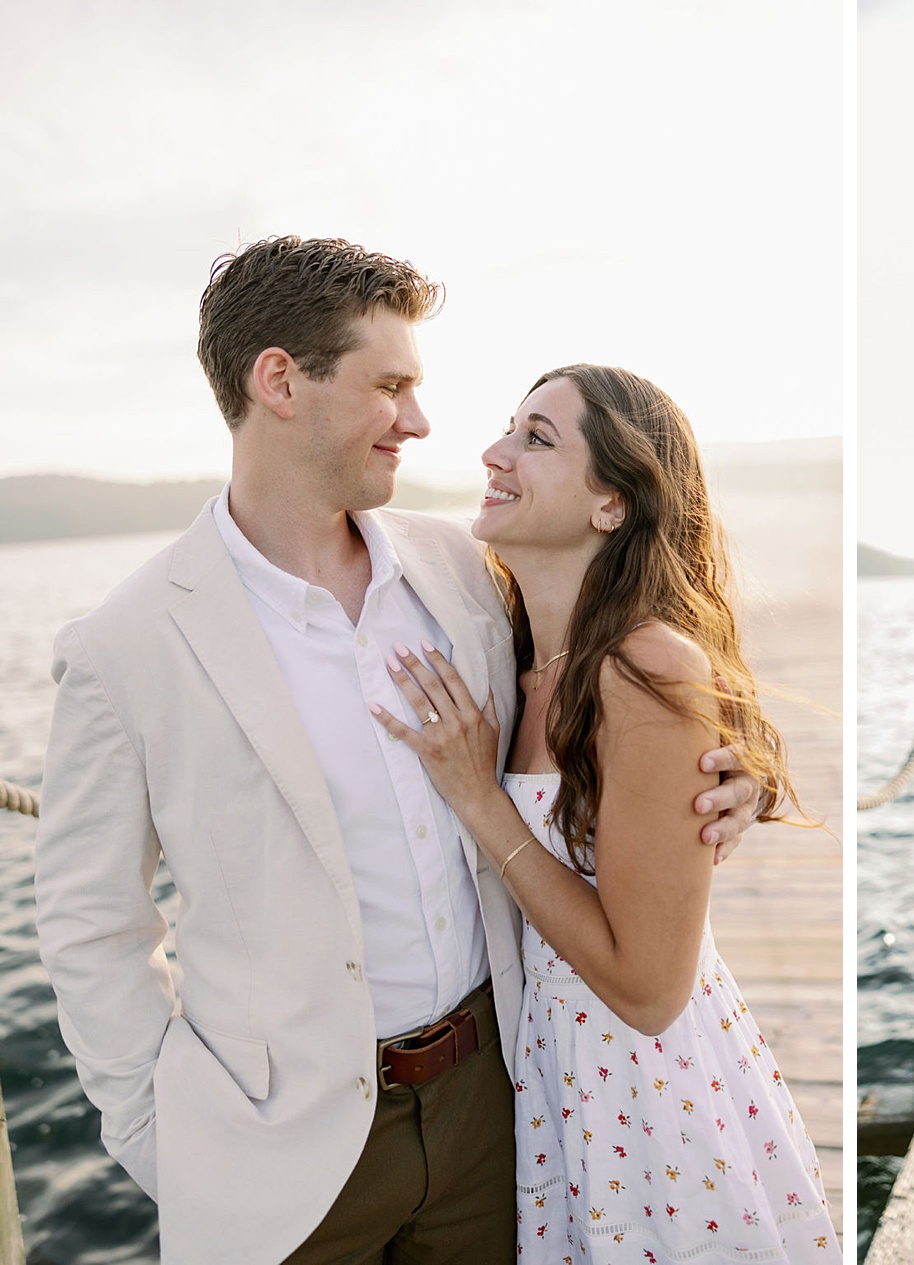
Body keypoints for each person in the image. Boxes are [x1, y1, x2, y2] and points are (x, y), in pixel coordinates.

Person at [32, 237, 759, 1265]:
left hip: (495, 1106)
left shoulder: (463, 568)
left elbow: (600, 707)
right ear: (280, 380)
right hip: (278, 1157)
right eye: (391, 385)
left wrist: (730, 778)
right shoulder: (126, 642)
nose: (421, 421)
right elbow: (89, 921)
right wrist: (163, 1142)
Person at [367, 364, 840, 1262]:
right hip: (554, 1082)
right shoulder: (513, 651)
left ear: (612, 504)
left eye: (537, 438)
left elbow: (650, 990)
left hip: (647, 1096)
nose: (495, 452)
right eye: (510, 427)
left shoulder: (644, 667)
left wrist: (478, 797)